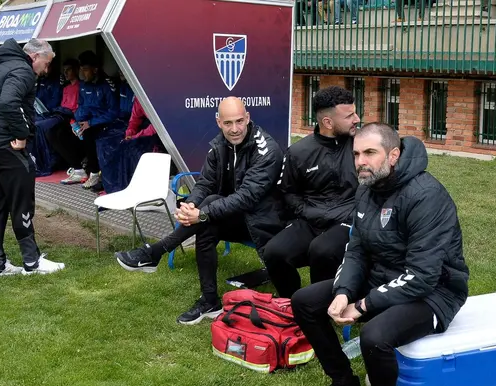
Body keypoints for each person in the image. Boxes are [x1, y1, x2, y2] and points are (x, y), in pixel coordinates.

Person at [291, 123, 469, 386]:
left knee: (374, 335)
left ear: (394, 155)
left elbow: (422, 276)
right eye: (357, 153)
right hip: (385, 277)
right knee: (305, 301)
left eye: (370, 153)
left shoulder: (425, 196)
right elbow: (356, 250)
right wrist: (344, 292)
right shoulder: (367, 188)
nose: (361, 161)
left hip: (434, 293)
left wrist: (362, 306)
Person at [114, 97, 285, 325]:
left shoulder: (267, 150)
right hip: (236, 217)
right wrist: (191, 205)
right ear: (218, 122)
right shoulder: (220, 145)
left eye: (239, 121)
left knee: (207, 216)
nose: (234, 129)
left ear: (248, 118)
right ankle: (209, 300)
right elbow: (205, 183)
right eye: (228, 123)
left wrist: (201, 214)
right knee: (207, 224)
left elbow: (247, 197)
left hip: (264, 222)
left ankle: (155, 253)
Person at [0, 38, 65, 279]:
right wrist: (21, 135)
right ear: (35, 57)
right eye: (45, 64)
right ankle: (32, 263)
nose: (46, 71)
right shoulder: (22, 70)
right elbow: (8, 102)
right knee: (21, 202)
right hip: (6, 148)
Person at [263, 85, 359, 299]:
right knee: (274, 252)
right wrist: (306, 212)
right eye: (350, 115)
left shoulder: (361, 145)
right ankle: (293, 301)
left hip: (349, 220)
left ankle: (320, 307)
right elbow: (287, 192)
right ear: (327, 122)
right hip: (312, 219)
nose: (357, 119)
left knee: (322, 250)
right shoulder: (299, 152)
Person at [74, 50, 119, 189]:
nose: (83, 73)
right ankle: (79, 168)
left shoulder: (107, 85)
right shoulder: (83, 85)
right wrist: (78, 121)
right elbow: (81, 106)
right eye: (81, 70)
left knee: (89, 134)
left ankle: (94, 173)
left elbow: (113, 112)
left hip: (106, 123)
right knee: (63, 130)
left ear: (95, 70)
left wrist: (91, 123)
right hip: (88, 122)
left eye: (86, 70)